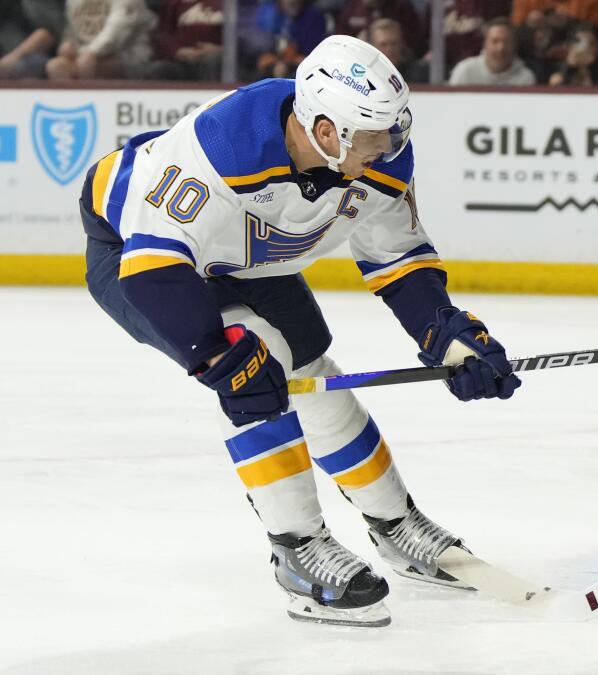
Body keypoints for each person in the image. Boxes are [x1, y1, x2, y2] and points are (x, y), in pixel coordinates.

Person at [78, 35, 522, 627]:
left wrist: (446, 333)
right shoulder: (220, 148)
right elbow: (154, 267)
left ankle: (395, 523)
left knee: (311, 369)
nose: (390, 146)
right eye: (374, 134)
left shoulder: (381, 158)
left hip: (247, 255)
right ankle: (298, 552)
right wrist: (216, 357)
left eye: (396, 128)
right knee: (256, 369)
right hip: (140, 253)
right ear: (325, 130)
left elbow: (398, 257)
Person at [45, 0, 156, 80]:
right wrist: (67, 45)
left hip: (128, 56)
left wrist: (86, 52)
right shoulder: (73, 2)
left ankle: (95, 106)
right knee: (56, 66)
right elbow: (71, 31)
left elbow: (115, 36)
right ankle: (70, 107)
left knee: (86, 62)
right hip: (85, 54)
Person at [145, 0, 225, 81]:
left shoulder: (229, 4)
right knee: (159, 69)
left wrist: (219, 49)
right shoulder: (174, 4)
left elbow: (236, 37)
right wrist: (176, 51)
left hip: (215, 59)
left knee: (212, 62)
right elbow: (162, 34)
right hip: (180, 61)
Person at [449, 18, 536, 86]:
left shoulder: (525, 78)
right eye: (495, 41)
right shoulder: (464, 71)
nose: (501, 48)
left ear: (515, 45)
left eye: (507, 42)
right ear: (485, 44)